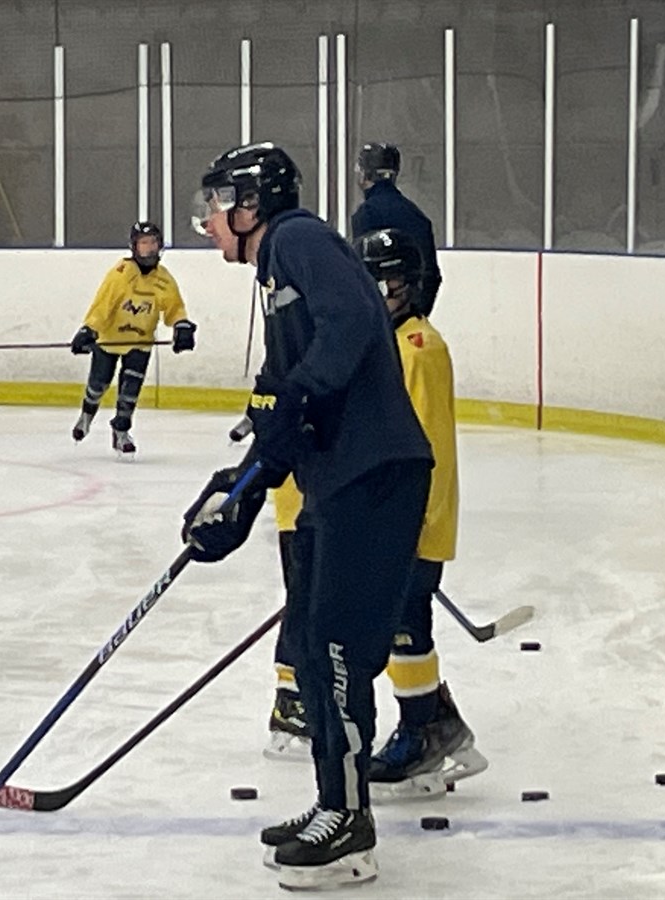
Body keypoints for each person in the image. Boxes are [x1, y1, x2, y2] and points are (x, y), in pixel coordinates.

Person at [182, 142, 432, 891]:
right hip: (339, 481)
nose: (209, 221)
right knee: (315, 650)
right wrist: (241, 489)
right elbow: (281, 397)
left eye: (218, 204)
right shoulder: (274, 275)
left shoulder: (298, 239)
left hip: (373, 476)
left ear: (251, 205)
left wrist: (295, 397)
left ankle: (350, 825)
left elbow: (352, 322)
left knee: (338, 652)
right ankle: (332, 801)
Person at [354, 227, 488, 798]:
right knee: (399, 623)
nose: (381, 293)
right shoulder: (384, 343)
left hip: (415, 518)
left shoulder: (419, 348)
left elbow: (427, 447)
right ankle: (438, 723)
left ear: (411, 285)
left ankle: (421, 735)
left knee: (406, 625)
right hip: (392, 515)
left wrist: (408, 523)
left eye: (390, 282)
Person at [69, 221, 196, 454]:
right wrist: (89, 329)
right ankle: (86, 415)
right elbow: (103, 306)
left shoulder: (164, 279)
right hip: (109, 340)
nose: (149, 248)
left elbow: (174, 308)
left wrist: (181, 325)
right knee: (98, 384)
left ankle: (121, 430)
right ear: (134, 247)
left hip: (140, 342)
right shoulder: (121, 274)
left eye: (153, 242)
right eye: (144, 243)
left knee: (130, 390)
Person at [351, 143, 443, 316]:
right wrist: (417, 313)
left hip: (382, 316)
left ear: (365, 174)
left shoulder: (366, 214)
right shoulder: (417, 215)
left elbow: (364, 275)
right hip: (413, 315)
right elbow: (431, 276)